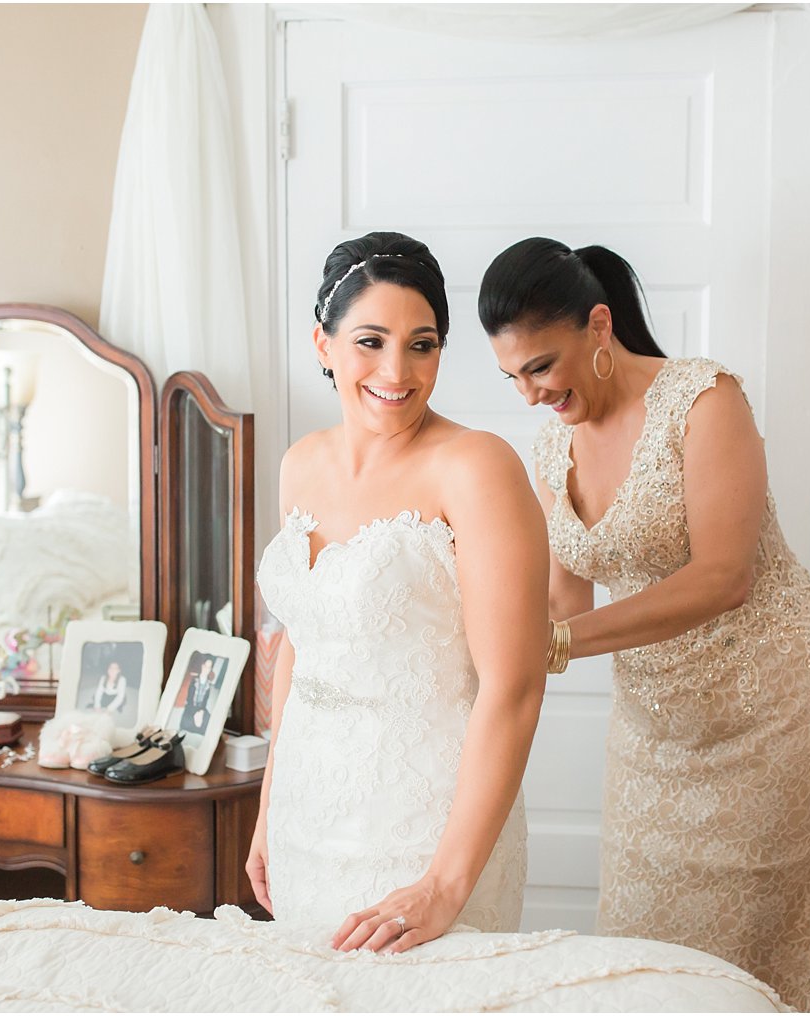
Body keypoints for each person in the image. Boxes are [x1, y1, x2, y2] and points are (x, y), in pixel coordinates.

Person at [479, 237, 810, 1009]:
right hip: (655, 730)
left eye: (541, 366)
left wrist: (560, 643)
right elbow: (564, 603)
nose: (530, 394)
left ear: (598, 326)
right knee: (649, 956)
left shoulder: (703, 399)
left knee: (758, 955)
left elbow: (723, 576)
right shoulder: (549, 447)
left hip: (774, 705)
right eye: (512, 376)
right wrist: (476, 620)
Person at [248, 231, 549, 954]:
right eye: (371, 341)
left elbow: (515, 687)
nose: (397, 369)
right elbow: (302, 649)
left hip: (424, 829)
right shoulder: (300, 465)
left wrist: (444, 885)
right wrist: (266, 809)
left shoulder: (477, 468)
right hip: (305, 815)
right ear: (323, 344)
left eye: (423, 344)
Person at [179, 656, 221, 735]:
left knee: (209, 722)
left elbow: (205, 701)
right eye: (205, 666)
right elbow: (189, 699)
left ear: (210, 670)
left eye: (209, 668)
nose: (206, 669)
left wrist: (201, 712)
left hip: (201, 708)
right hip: (191, 706)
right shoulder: (194, 680)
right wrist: (195, 713)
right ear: (202, 666)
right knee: (186, 723)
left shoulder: (208, 685)